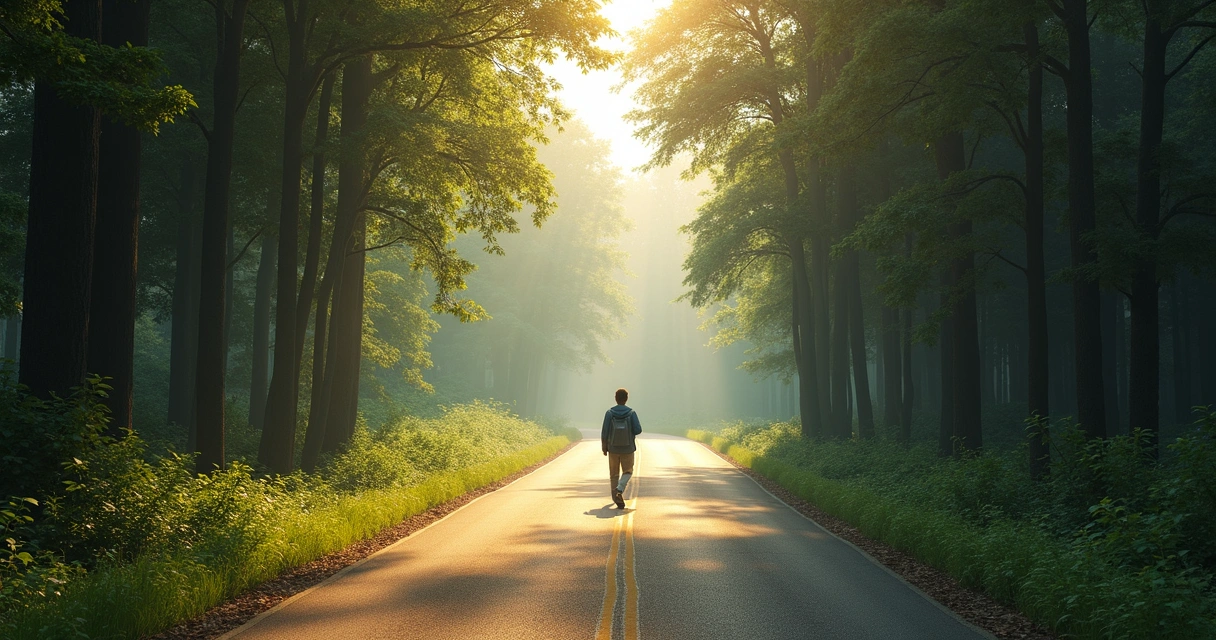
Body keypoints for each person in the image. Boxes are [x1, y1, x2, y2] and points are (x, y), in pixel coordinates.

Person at [601, 388, 642, 509]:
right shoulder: (631, 413)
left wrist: (604, 447)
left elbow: (604, 432)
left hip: (613, 449)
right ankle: (620, 489)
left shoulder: (609, 413)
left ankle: (616, 498)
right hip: (628, 449)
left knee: (614, 475)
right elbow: (638, 430)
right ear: (626, 399)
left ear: (615, 398)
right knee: (628, 471)